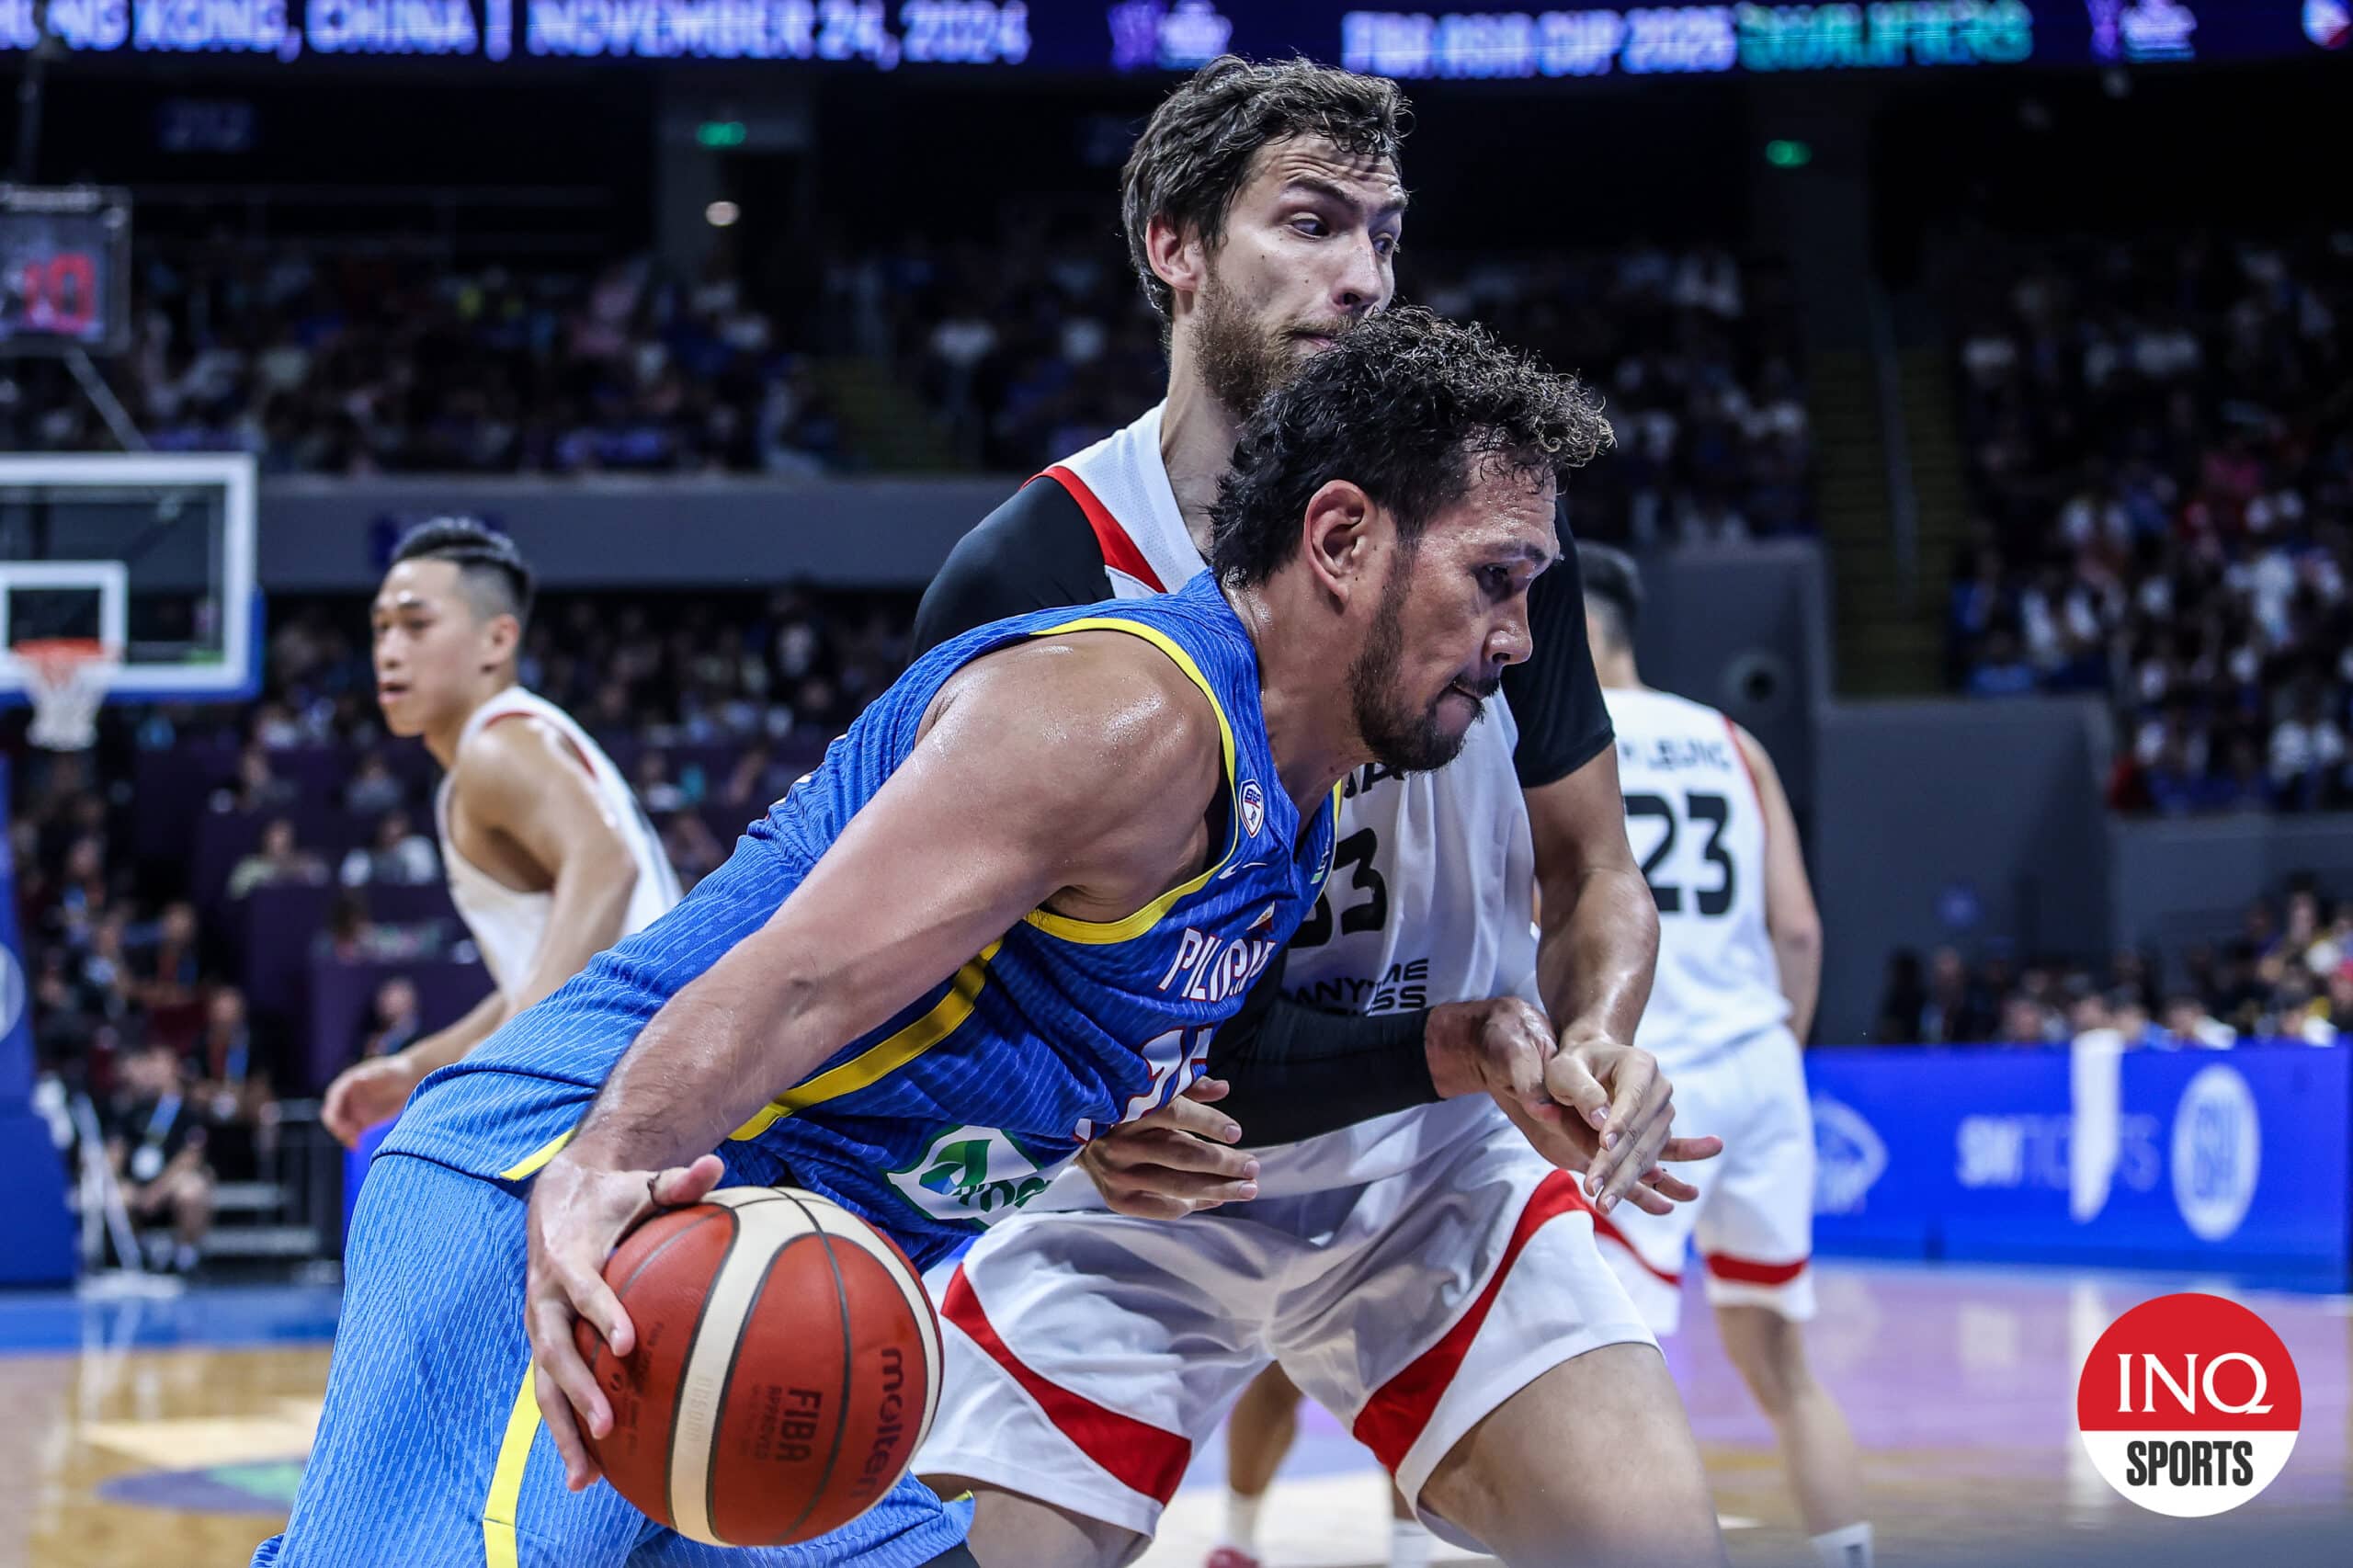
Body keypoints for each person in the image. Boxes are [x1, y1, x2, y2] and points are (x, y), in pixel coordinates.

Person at [253, 309, 1660, 1568]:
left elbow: (1049, 1012)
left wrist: (1133, 1107)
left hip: (785, 1278)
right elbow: (796, 976)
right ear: (1343, 541)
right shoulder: (1130, 715)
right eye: (1495, 579)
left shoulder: (1280, 819)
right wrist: (598, 1175)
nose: (1523, 637)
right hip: (592, 1200)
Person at [910, 57, 1722, 1568]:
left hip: (1436, 1171)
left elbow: (1593, 863)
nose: (1359, 277)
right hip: (1130, 1208)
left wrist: (1601, 1021)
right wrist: (1064, 1116)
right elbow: (932, 974)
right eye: (1310, 223)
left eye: (1384, 234)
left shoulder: (1482, 523)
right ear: (1176, 244)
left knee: (1656, 1548)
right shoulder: (1033, 573)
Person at [1576, 543, 1873, 1568]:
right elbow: (1797, 929)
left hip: (1652, 1076)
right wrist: (1778, 1052)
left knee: (1605, 1363)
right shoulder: (1735, 742)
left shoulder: (1566, 738)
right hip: (1760, 1061)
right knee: (1782, 1362)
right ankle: (1849, 1555)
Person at [316, 518, 681, 1148]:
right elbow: (549, 972)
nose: (389, 650)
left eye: (416, 623)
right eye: (380, 628)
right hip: (655, 1072)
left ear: (497, 640)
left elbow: (605, 863)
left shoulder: (497, 749)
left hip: (630, 1089)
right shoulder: (525, 738)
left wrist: (510, 1067)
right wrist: (419, 1066)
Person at [104, 1040, 213, 1274]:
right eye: (151, 1063)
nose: (154, 1070)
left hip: (171, 1183)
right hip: (138, 1183)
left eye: (161, 1064)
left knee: (192, 1190)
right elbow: (117, 1150)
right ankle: (135, 1253)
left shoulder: (189, 1110)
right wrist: (115, 1177)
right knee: (115, 1195)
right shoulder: (134, 1108)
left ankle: (185, 1256)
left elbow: (191, 1157)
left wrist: (157, 1190)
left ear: (174, 1069)